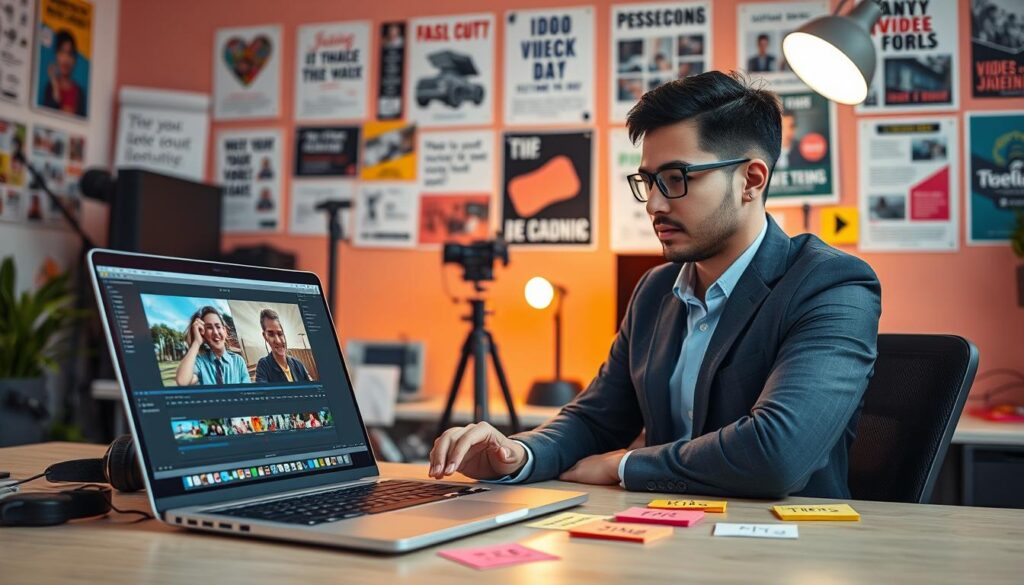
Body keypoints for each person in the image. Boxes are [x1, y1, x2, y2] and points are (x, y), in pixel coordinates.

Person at [429, 71, 881, 499]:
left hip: (788, 541)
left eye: (676, 179)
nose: (654, 205)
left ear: (751, 180)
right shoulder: (656, 290)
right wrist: (517, 454)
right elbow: (596, 419)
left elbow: (777, 454)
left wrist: (624, 465)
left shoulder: (831, 285)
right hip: (664, 533)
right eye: (648, 182)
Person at [174, 305, 251, 386]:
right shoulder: (200, 363)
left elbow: (247, 391)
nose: (215, 332)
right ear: (202, 333)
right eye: (209, 328)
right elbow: (182, 382)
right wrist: (197, 342)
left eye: (218, 326)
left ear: (224, 331)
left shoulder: (238, 361)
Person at [254, 308, 313, 383]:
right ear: (265, 336)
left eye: (280, 334)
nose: (278, 341)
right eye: (271, 334)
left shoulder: (299, 364)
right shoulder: (263, 366)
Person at [42, 30, 87, 117]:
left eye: (70, 54)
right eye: (62, 52)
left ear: (74, 59)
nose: (66, 59)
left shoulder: (80, 93)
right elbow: (48, 115)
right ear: (56, 55)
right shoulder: (50, 87)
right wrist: (54, 84)